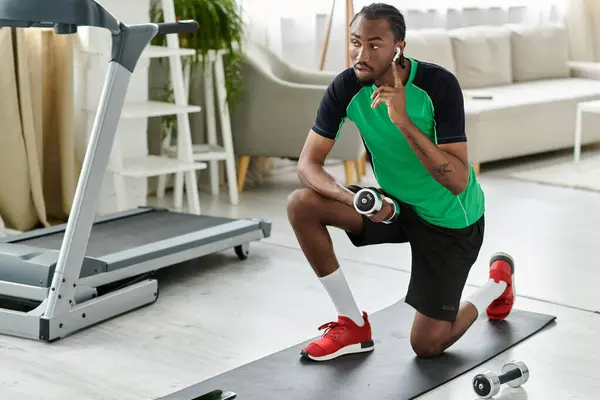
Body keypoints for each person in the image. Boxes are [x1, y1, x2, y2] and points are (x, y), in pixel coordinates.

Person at [286, 2, 516, 362]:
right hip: (393, 207)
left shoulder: (437, 85)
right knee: (301, 204)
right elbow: (307, 165)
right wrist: (355, 200)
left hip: (450, 220)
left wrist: (404, 121)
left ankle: (498, 282)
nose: (361, 54)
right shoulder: (347, 87)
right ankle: (352, 325)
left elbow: (457, 181)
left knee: (427, 345)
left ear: (399, 48)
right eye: (355, 42)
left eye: (375, 44)